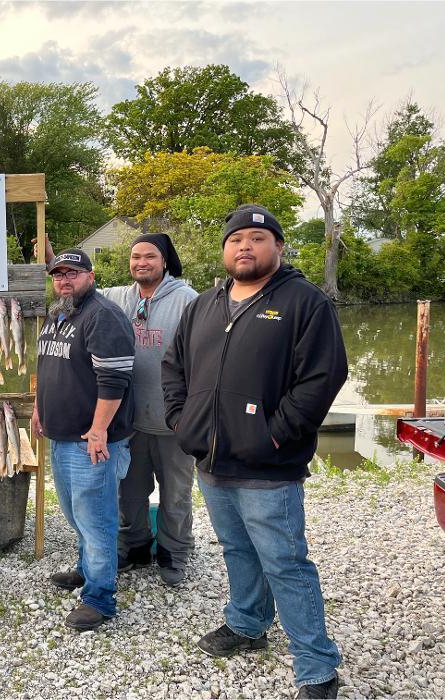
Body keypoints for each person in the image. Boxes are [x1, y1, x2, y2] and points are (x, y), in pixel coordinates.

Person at [162, 205, 347, 699]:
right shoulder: (203, 305)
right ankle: (246, 625)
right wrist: (182, 420)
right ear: (225, 251)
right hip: (211, 459)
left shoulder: (305, 302)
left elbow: (323, 377)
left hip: (270, 465)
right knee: (237, 549)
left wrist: (274, 433)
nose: (244, 246)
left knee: (285, 561)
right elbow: (173, 366)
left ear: (278, 248)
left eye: (256, 238)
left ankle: (316, 665)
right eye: (235, 239)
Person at [32, 248, 134, 631]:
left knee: (97, 520)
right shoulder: (59, 313)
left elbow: (115, 380)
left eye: (72, 273)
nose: (64, 280)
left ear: (91, 276)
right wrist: (41, 409)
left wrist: (99, 429)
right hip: (62, 436)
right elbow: (48, 366)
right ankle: (85, 569)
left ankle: (99, 598)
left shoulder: (103, 316)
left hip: (92, 440)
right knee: (76, 514)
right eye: (58, 274)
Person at [98, 232, 198, 584]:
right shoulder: (119, 297)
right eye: (135, 256)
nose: (141, 262)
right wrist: (50, 258)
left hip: (173, 421)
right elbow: (77, 287)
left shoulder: (188, 300)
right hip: (130, 420)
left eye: (150, 257)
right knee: (130, 491)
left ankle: (175, 552)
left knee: (175, 495)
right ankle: (136, 545)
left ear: (165, 261)